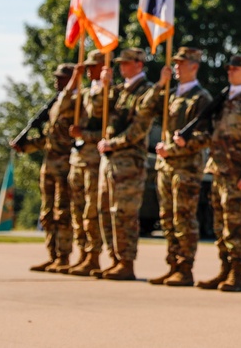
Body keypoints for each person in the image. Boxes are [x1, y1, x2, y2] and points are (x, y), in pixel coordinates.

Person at [177, 53, 241, 293]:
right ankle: (224, 269)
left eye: (235, 69)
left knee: (235, 224)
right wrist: (188, 141)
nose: (230, 71)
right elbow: (211, 135)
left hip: (237, 174)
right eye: (229, 68)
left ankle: (236, 273)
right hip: (218, 170)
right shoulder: (223, 99)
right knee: (220, 224)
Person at [93, 47, 160, 281]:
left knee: (124, 213)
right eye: (120, 63)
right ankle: (114, 259)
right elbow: (96, 111)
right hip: (110, 160)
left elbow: (139, 127)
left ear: (139, 65)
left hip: (129, 161)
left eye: (126, 63)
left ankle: (126, 261)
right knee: (105, 211)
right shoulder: (120, 91)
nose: (121, 67)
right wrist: (104, 87)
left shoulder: (146, 91)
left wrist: (113, 143)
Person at [150, 46, 212, 287]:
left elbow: (205, 136)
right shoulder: (171, 94)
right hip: (166, 166)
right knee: (167, 218)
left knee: (183, 218)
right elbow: (145, 109)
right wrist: (159, 83)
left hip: (186, 167)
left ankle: (185, 268)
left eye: (180, 63)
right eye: (175, 63)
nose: (175, 67)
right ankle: (173, 265)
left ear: (194, 66)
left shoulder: (201, 98)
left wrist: (174, 149)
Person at [12, 63, 78, 273]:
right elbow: (49, 138)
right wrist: (27, 146)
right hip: (49, 164)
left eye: (62, 78)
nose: (56, 81)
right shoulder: (55, 103)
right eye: (56, 77)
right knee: (47, 213)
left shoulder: (76, 102)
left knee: (62, 213)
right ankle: (53, 255)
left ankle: (64, 256)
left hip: (65, 164)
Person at [65, 49, 106, 276]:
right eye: (88, 67)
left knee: (91, 210)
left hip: (93, 159)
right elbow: (64, 104)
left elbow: (103, 127)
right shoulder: (85, 91)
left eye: (93, 67)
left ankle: (93, 256)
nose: (89, 70)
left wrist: (84, 135)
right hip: (78, 158)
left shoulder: (107, 93)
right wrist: (75, 78)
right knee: (77, 210)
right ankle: (81, 253)